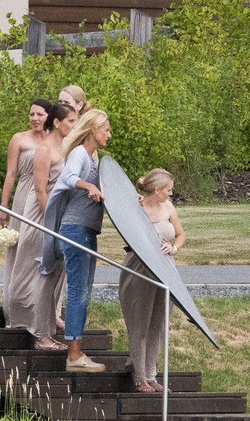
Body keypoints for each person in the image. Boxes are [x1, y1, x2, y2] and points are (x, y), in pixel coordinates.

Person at [5, 102, 78, 350]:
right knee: (36, 270)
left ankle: (45, 329)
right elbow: (39, 190)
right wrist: (53, 221)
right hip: (41, 216)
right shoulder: (45, 150)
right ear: (57, 122)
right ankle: (35, 332)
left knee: (52, 274)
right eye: (70, 121)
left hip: (59, 215)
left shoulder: (64, 147)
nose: (73, 126)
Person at [45, 108, 112, 372]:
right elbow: (69, 177)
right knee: (77, 293)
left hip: (87, 231)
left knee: (83, 294)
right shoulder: (79, 154)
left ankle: (77, 352)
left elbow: (106, 192)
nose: (109, 134)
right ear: (93, 130)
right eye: (106, 129)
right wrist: (88, 186)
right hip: (75, 231)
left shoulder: (94, 158)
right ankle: (73, 357)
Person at [119, 169, 186, 392]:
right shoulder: (136, 208)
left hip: (165, 269)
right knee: (140, 320)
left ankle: (151, 373)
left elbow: (180, 234)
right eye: (168, 190)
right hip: (139, 267)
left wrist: (174, 247)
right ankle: (139, 375)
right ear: (157, 190)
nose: (171, 194)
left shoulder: (168, 207)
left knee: (158, 322)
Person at [0, 98, 52, 326]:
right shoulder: (19, 139)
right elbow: (11, 173)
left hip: (46, 193)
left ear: (49, 117)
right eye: (32, 114)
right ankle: (14, 308)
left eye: (40, 114)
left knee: (41, 247)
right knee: (19, 248)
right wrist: (4, 207)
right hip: (24, 193)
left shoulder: (53, 141)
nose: (35, 119)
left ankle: (40, 308)